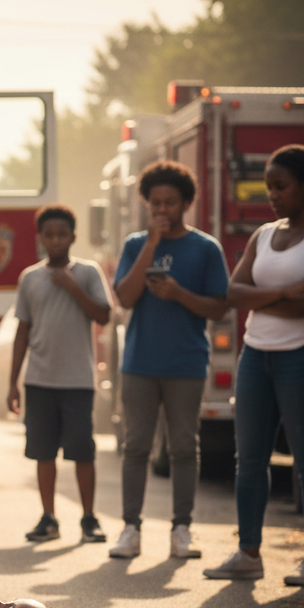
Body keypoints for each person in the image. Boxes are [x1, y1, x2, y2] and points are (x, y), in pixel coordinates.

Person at [204, 145, 304, 586]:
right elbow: (233, 293)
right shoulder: (263, 235)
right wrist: (283, 293)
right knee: (249, 459)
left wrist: (267, 299)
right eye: (268, 188)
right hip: (255, 356)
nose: (273, 196)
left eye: (280, 187)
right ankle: (248, 553)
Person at [110, 161, 230, 560]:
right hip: (139, 363)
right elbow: (124, 298)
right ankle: (130, 528)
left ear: (186, 204)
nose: (162, 210)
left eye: (170, 203)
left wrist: (179, 294)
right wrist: (151, 246)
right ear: (146, 203)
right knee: (136, 446)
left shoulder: (205, 248)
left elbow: (218, 308)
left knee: (182, 447)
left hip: (186, 364)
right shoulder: (134, 245)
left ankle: (182, 529)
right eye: (155, 203)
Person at [8, 205, 112, 544]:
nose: (55, 241)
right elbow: (22, 331)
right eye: (49, 235)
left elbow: (104, 315)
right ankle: (49, 518)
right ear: (40, 238)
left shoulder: (88, 272)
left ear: (73, 237)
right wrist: (13, 383)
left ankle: (88, 518)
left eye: (62, 235)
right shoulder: (30, 277)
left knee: (83, 452)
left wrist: (73, 287)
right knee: (43, 452)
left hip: (78, 380)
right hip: (39, 380)